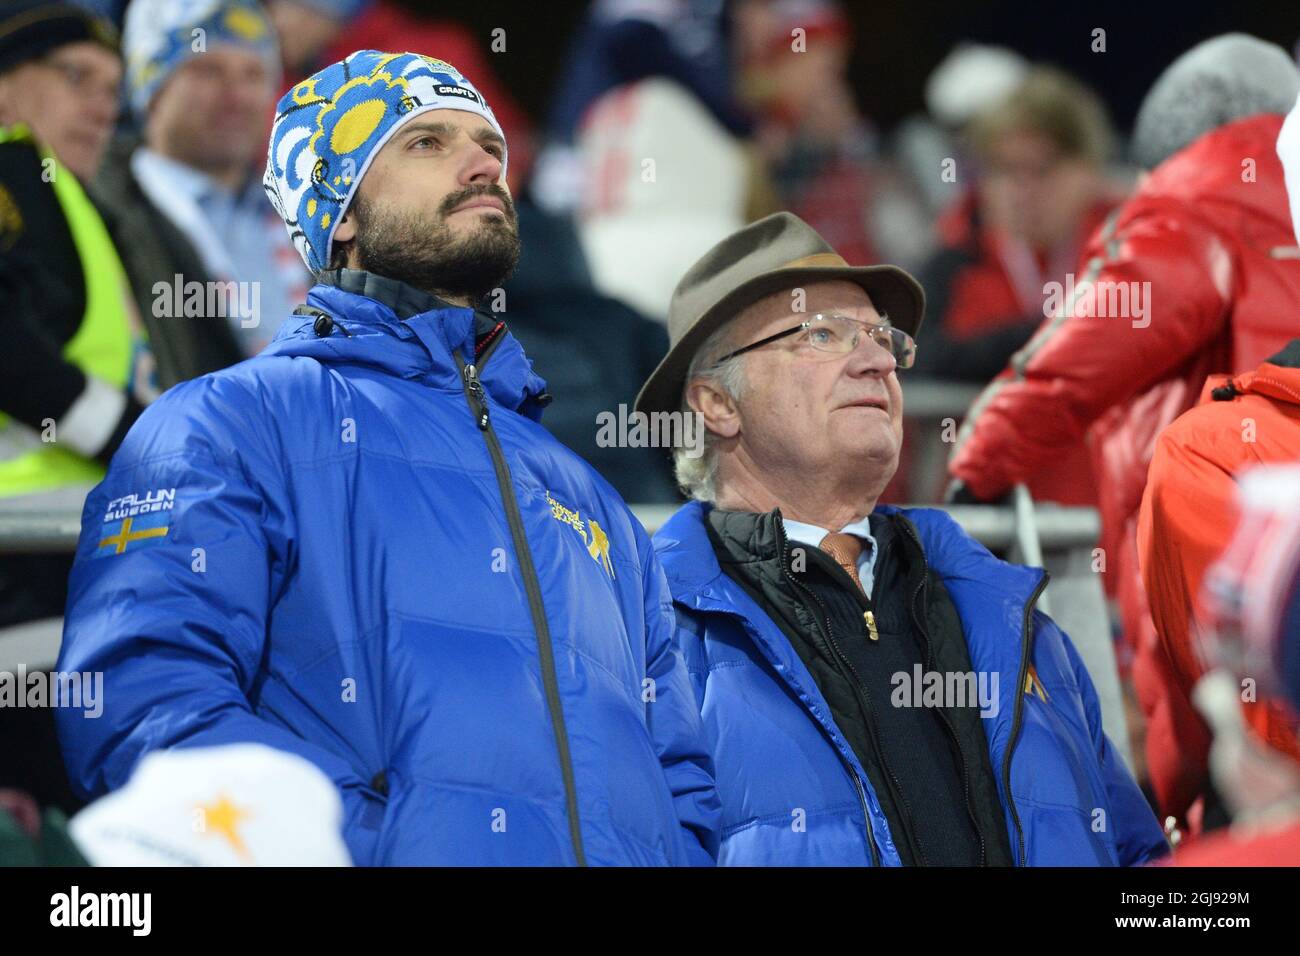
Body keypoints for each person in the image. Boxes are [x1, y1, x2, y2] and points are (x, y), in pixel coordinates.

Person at [56, 50, 719, 867]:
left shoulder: (587, 492)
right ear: (341, 214)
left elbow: (682, 778)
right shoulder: (228, 422)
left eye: (490, 145)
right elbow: (145, 699)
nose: (483, 161)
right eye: (427, 143)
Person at [638, 211, 1167, 865]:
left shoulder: (1012, 612)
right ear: (717, 403)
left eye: (882, 338)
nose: (877, 360)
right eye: (822, 334)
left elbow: (1137, 856)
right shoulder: (642, 634)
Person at [946, 35, 1300, 681]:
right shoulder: (1276, 194)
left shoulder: (1183, 208)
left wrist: (974, 472)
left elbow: (1075, 361)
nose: (1022, 190)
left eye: (1043, 167)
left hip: (1202, 538)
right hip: (1238, 530)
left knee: (1207, 743)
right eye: (1005, 170)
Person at [110, 0, 310, 356]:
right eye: (209, 71)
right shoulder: (108, 213)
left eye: (254, 74)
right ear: (153, 93)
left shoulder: (305, 209)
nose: (238, 96)